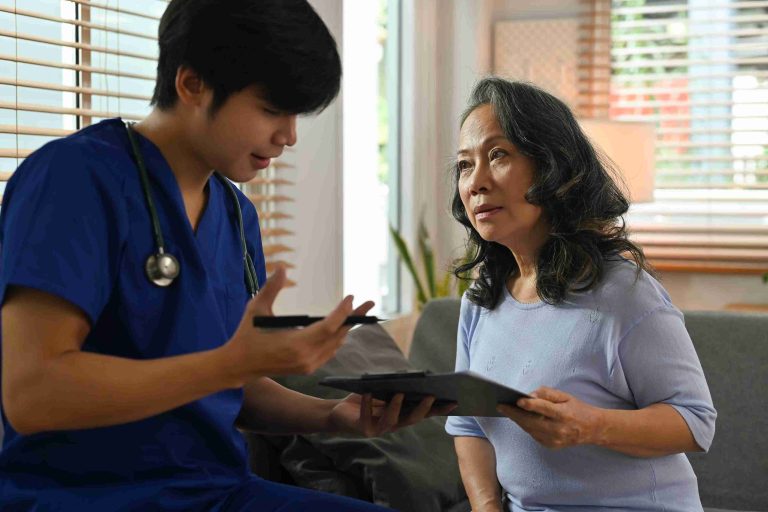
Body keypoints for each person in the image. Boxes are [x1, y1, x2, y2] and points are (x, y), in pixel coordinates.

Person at [0, 1, 449, 510]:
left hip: (218, 492)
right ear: (192, 84)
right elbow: (32, 395)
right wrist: (227, 365)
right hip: (86, 498)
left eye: (296, 114)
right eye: (271, 109)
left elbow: (232, 383)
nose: (288, 136)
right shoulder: (74, 180)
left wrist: (330, 416)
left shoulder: (236, 214)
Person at [445, 77, 716, 512]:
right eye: (464, 164)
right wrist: (486, 506)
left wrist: (592, 426)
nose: (475, 182)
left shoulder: (624, 292)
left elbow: (695, 421)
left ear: (551, 166)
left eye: (497, 155)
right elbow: (469, 426)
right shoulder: (481, 299)